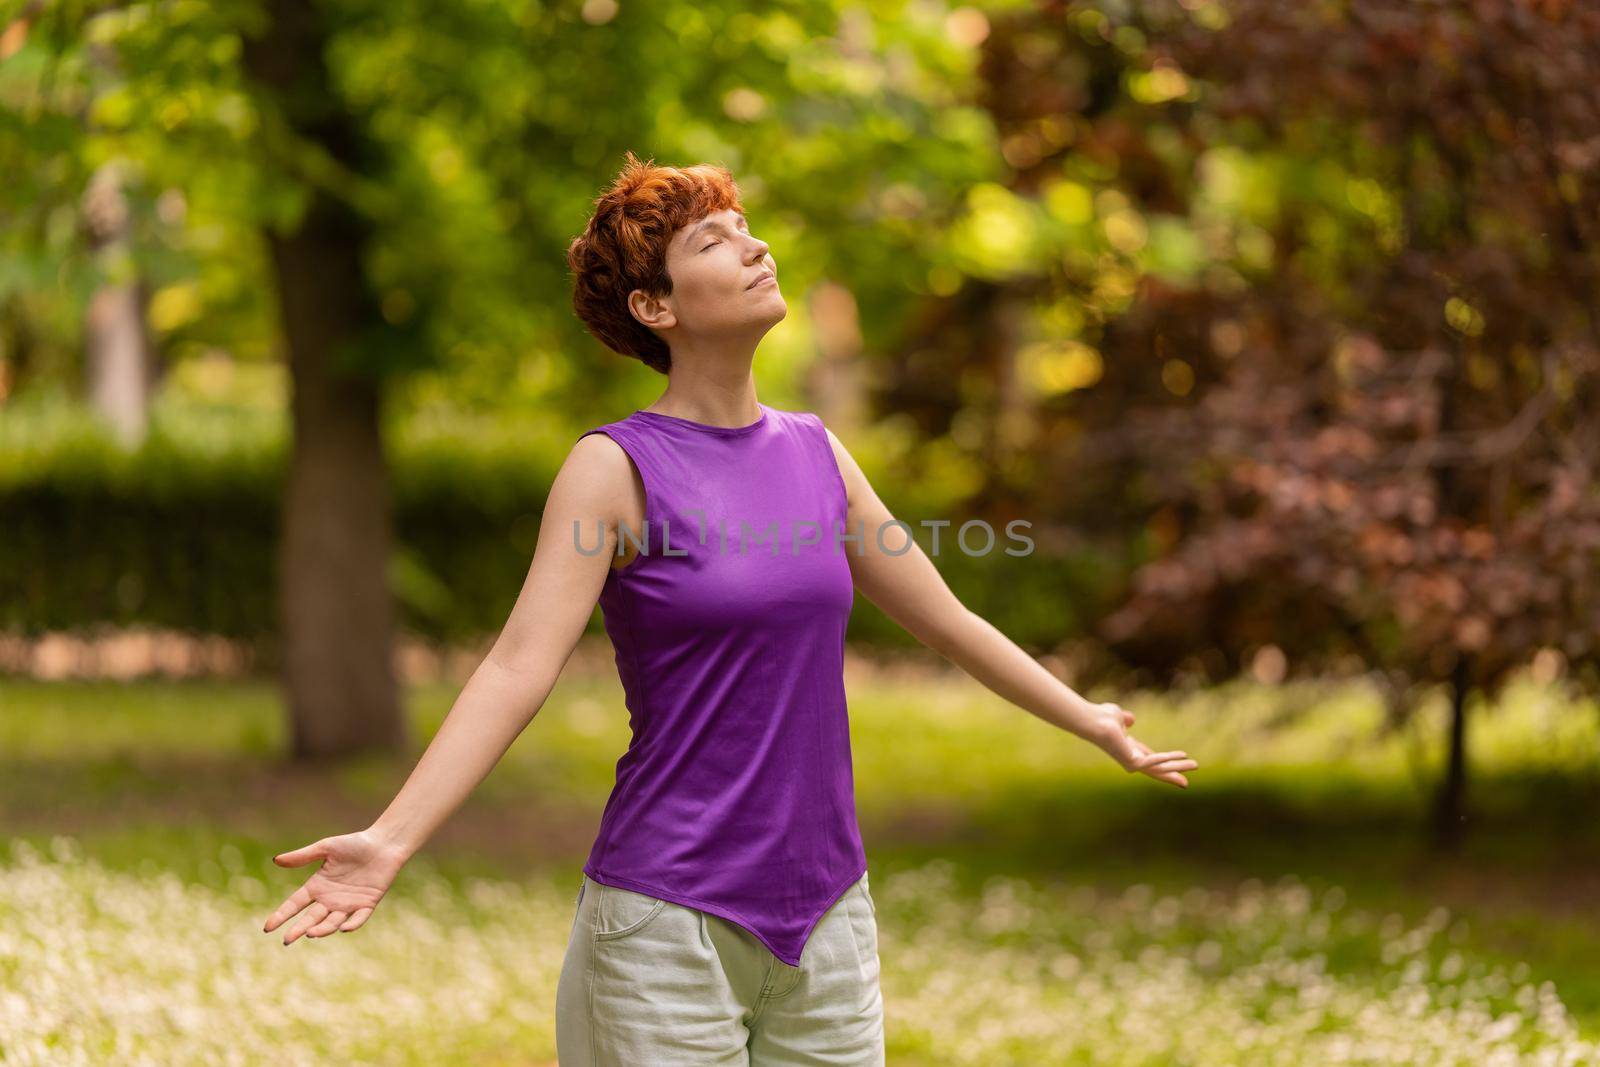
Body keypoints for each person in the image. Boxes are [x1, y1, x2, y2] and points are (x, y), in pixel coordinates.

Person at [261, 151, 1199, 1064]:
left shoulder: (818, 451)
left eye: (748, 229)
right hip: (667, 924)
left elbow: (947, 620)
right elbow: (517, 668)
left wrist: (1088, 720)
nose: (755, 248)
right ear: (654, 306)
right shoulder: (614, 468)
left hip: (829, 917)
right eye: (715, 240)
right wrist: (392, 836)